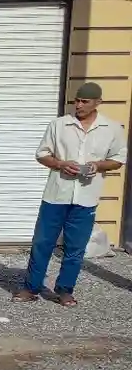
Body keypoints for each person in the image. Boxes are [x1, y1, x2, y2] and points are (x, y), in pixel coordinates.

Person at [14, 81, 127, 306]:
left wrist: (98, 165)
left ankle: (65, 290)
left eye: (85, 101)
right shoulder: (59, 125)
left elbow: (118, 160)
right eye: (77, 100)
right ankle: (31, 288)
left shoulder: (112, 129)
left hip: (86, 197)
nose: (79, 105)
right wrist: (60, 163)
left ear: (98, 103)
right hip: (56, 195)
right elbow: (42, 154)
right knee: (42, 243)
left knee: (75, 248)